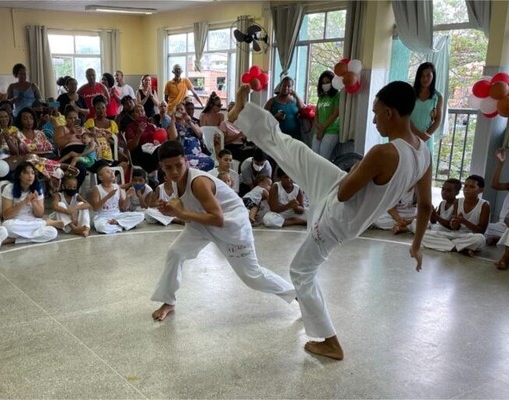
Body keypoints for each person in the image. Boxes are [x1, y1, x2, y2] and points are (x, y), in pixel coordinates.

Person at [229, 81, 432, 360]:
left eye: (375, 113)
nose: (373, 120)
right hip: (341, 194)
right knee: (297, 153)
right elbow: (426, 205)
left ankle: (330, 341)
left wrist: (360, 168)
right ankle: (244, 113)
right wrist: (417, 244)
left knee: (300, 271)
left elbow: (347, 192)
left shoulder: (384, 153)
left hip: (339, 215)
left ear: (390, 113)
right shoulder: (424, 152)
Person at [150, 140, 296, 321]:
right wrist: (172, 210)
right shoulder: (176, 182)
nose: (174, 172)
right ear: (161, 168)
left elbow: (218, 219)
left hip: (232, 225)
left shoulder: (199, 182)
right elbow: (186, 212)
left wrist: (181, 212)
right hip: (203, 222)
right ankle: (168, 301)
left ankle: (296, 295)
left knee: (252, 276)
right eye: (168, 168)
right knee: (176, 252)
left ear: (186, 161)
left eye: (178, 165)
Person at [421, 175, 489, 256]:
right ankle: (459, 249)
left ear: (480, 190)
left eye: (472, 187)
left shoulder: (484, 205)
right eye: (465, 186)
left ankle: (450, 246)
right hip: (456, 235)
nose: (467, 189)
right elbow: (455, 228)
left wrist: (464, 221)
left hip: (471, 237)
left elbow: (481, 231)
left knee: (480, 239)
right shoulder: (458, 202)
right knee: (423, 235)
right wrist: (454, 224)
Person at [1, 161, 62, 243]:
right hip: (15, 222)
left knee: (52, 232)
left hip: (32, 221)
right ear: (19, 175)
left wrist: (34, 202)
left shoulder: (37, 189)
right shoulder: (9, 188)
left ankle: (15, 239)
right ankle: (46, 223)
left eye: (32, 173)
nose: (30, 176)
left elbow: (40, 214)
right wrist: (24, 202)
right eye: (26, 173)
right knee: (6, 227)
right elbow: (6, 216)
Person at [90, 164, 144, 234]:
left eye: (112, 171)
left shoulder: (117, 187)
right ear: (101, 177)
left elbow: (123, 208)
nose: (112, 173)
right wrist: (108, 196)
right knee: (101, 227)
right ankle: (122, 225)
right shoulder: (97, 188)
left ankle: (117, 224)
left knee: (141, 216)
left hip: (117, 215)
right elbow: (96, 208)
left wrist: (127, 197)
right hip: (103, 217)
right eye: (108, 172)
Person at [410, 62, 444, 158]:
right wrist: (418, 134)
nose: (425, 79)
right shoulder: (411, 93)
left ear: (433, 76)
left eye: (428, 75)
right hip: (410, 135)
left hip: (426, 138)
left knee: (425, 166)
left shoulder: (437, 96)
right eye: (422, 76)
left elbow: (438, 120)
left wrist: (425, 135)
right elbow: (405, 116)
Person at [171, 103, 213, 171]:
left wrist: (189, 122)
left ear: (185, 111)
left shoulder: (192, 122)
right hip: (184, 155)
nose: (180, 111)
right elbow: (173, 138)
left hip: (198, 154)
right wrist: (172, 121)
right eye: (177, 109)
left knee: (210, 162)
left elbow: (200, 134)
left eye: (181, 109)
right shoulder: (173, 125)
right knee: (186, 164)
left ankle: (192, 171)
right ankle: (192, 171)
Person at [264, 76, 305, 141]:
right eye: (284, 85)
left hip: (294, 137)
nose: (286, 88)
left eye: (289, 86)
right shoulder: (271, 101)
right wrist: (275, 117)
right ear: (280, 86)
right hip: (277, 137)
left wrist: (296, 96)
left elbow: (303, 109)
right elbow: (264, 119)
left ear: (292, 88)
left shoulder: (295, 100)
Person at [313, 71, 341, 159]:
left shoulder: (337, 95)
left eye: (327, 82)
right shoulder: (321, 97)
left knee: (323, 158)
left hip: (331, 130)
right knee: (313, 156)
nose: (325, 85)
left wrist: (322, 128)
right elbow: (316, 113)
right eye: (323, 83)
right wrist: (317, 126)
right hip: (318, 130)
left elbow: (335, 114)